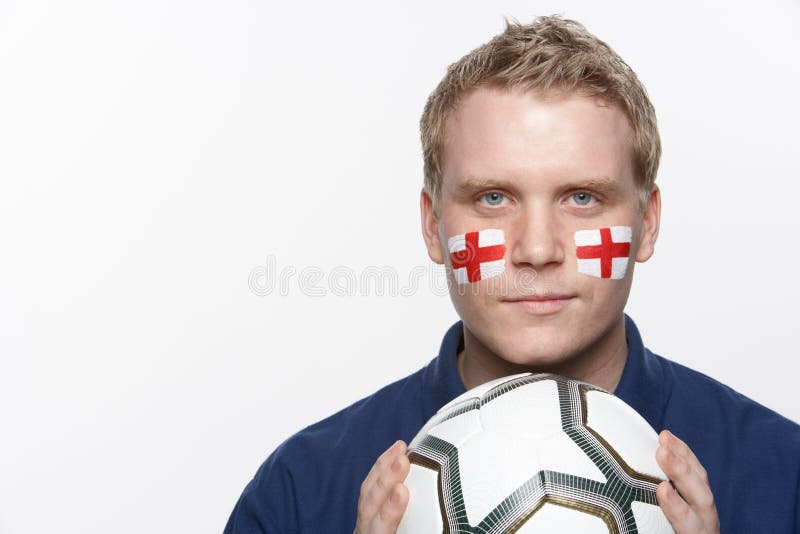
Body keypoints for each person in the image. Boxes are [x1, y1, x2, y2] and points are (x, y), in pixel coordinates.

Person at [224, 16, 800, 533]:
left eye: (582, 197)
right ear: (432, 226)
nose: (537, 248)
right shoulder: (298, 493)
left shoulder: (783, 476)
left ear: (647, 224)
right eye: (494, 198)